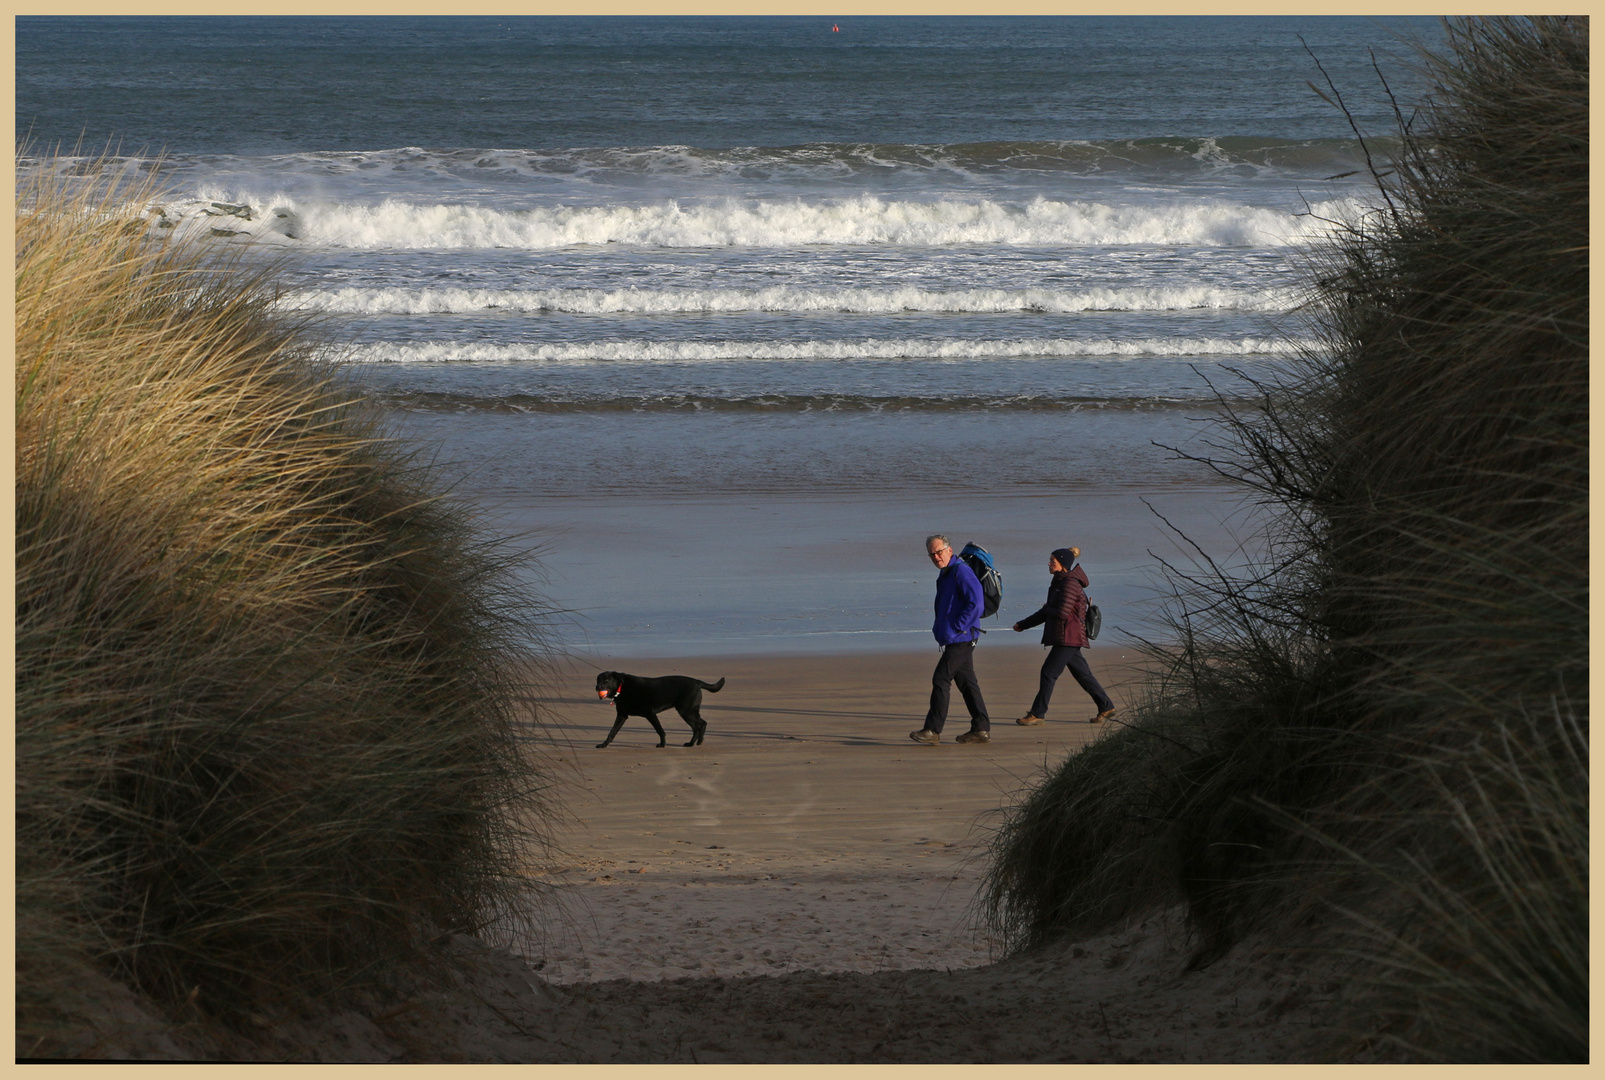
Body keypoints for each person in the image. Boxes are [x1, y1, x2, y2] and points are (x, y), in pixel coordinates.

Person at [1012, 546, 1116, 725]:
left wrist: (1045, 609)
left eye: (1052, 561)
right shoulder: (1060, 582)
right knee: (1083, 675)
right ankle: (1106, 706)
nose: (1049, 563)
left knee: (1048, 673)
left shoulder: (1069, 584)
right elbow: (1049, 612)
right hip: (1068, 635)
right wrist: (1023, 625)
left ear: (1063, 564)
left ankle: (1037, 713)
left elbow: (1062, 613)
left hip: (1068, 636)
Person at [910, 534, 991, 745]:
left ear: (949, 550)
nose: (936, 557)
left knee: (941, 678)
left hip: (962, 637)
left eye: (939, 552)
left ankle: (932, 730)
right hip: (956, 637)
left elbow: (976, 604)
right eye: (932, 554)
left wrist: (956, 627)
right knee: (967, 683)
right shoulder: (946, 573)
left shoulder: (961, 570)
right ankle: (981, 729)